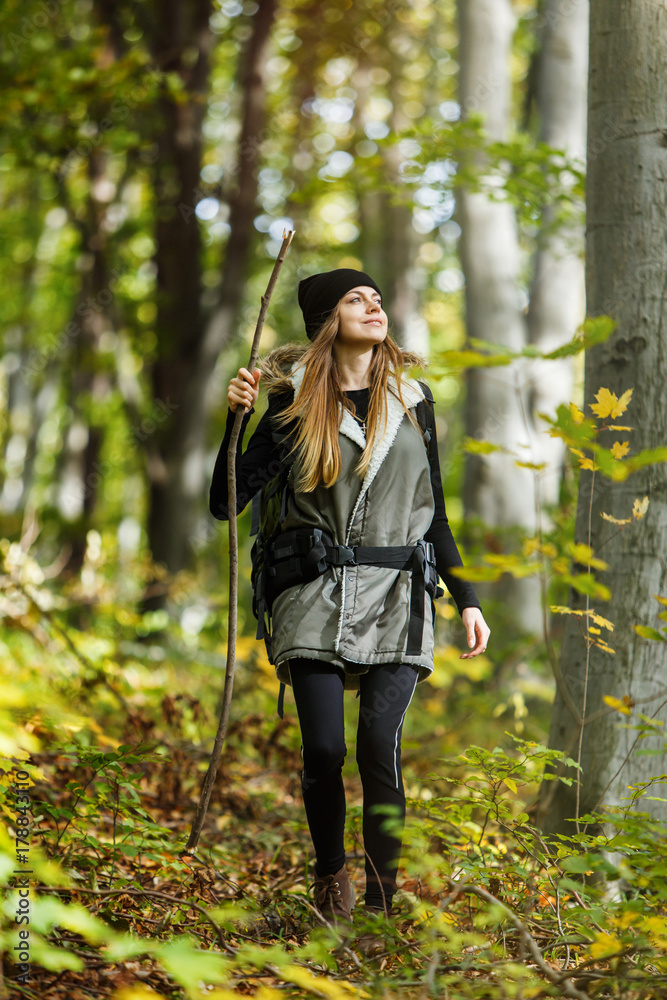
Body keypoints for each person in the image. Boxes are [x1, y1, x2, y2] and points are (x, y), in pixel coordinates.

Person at [209, 268, 490, 952]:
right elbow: (225, 502)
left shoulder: (414, 401)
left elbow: (437, 514)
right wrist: (233, 421)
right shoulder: (289, 406)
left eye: (376, 297)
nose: (373, 306)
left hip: (400, 597)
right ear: (325, 321)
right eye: (354, 299)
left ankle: (379, 903)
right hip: (311, 594)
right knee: (325, 748)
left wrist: (467, 599)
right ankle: (330, 878)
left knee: (377, 750)